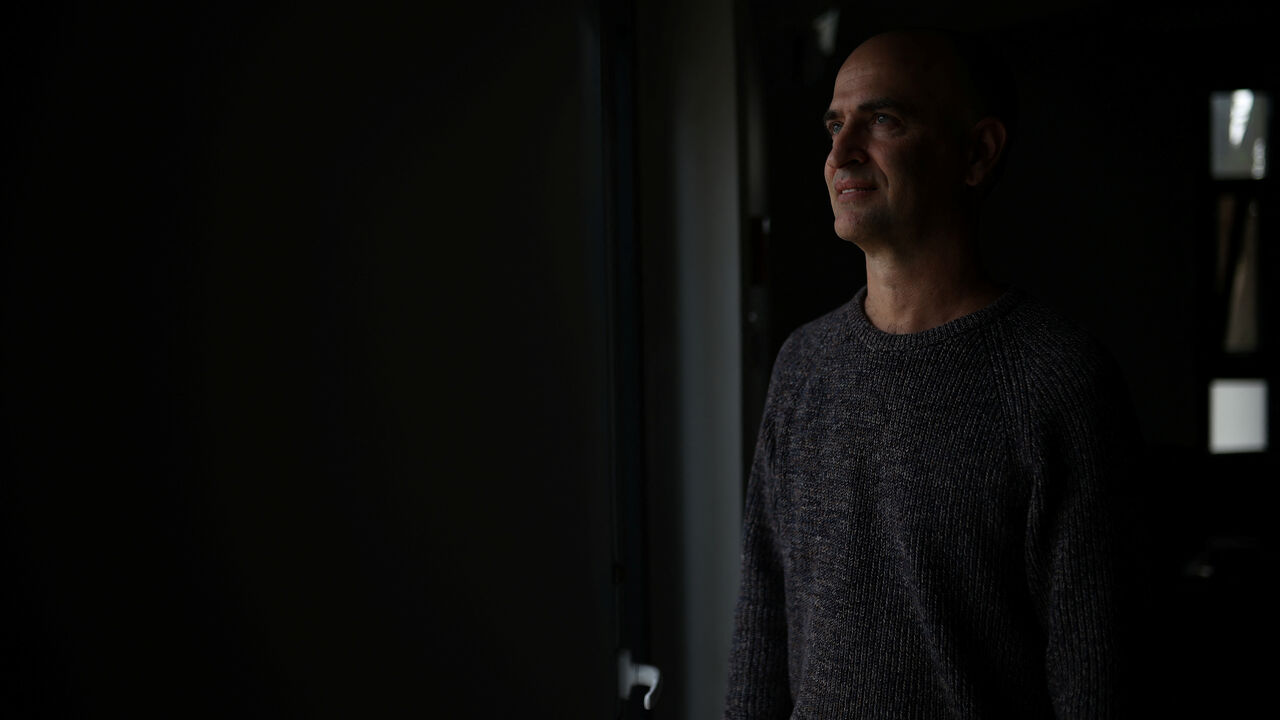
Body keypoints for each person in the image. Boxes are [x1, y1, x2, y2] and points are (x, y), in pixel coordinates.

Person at [725, 30, 1139, 719]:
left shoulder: (1058, 381)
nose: (841, 153)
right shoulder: (803, 366)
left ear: (977, 153)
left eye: (883, 120)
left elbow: (1098, 682)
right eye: (835, 124)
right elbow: (760, 639)